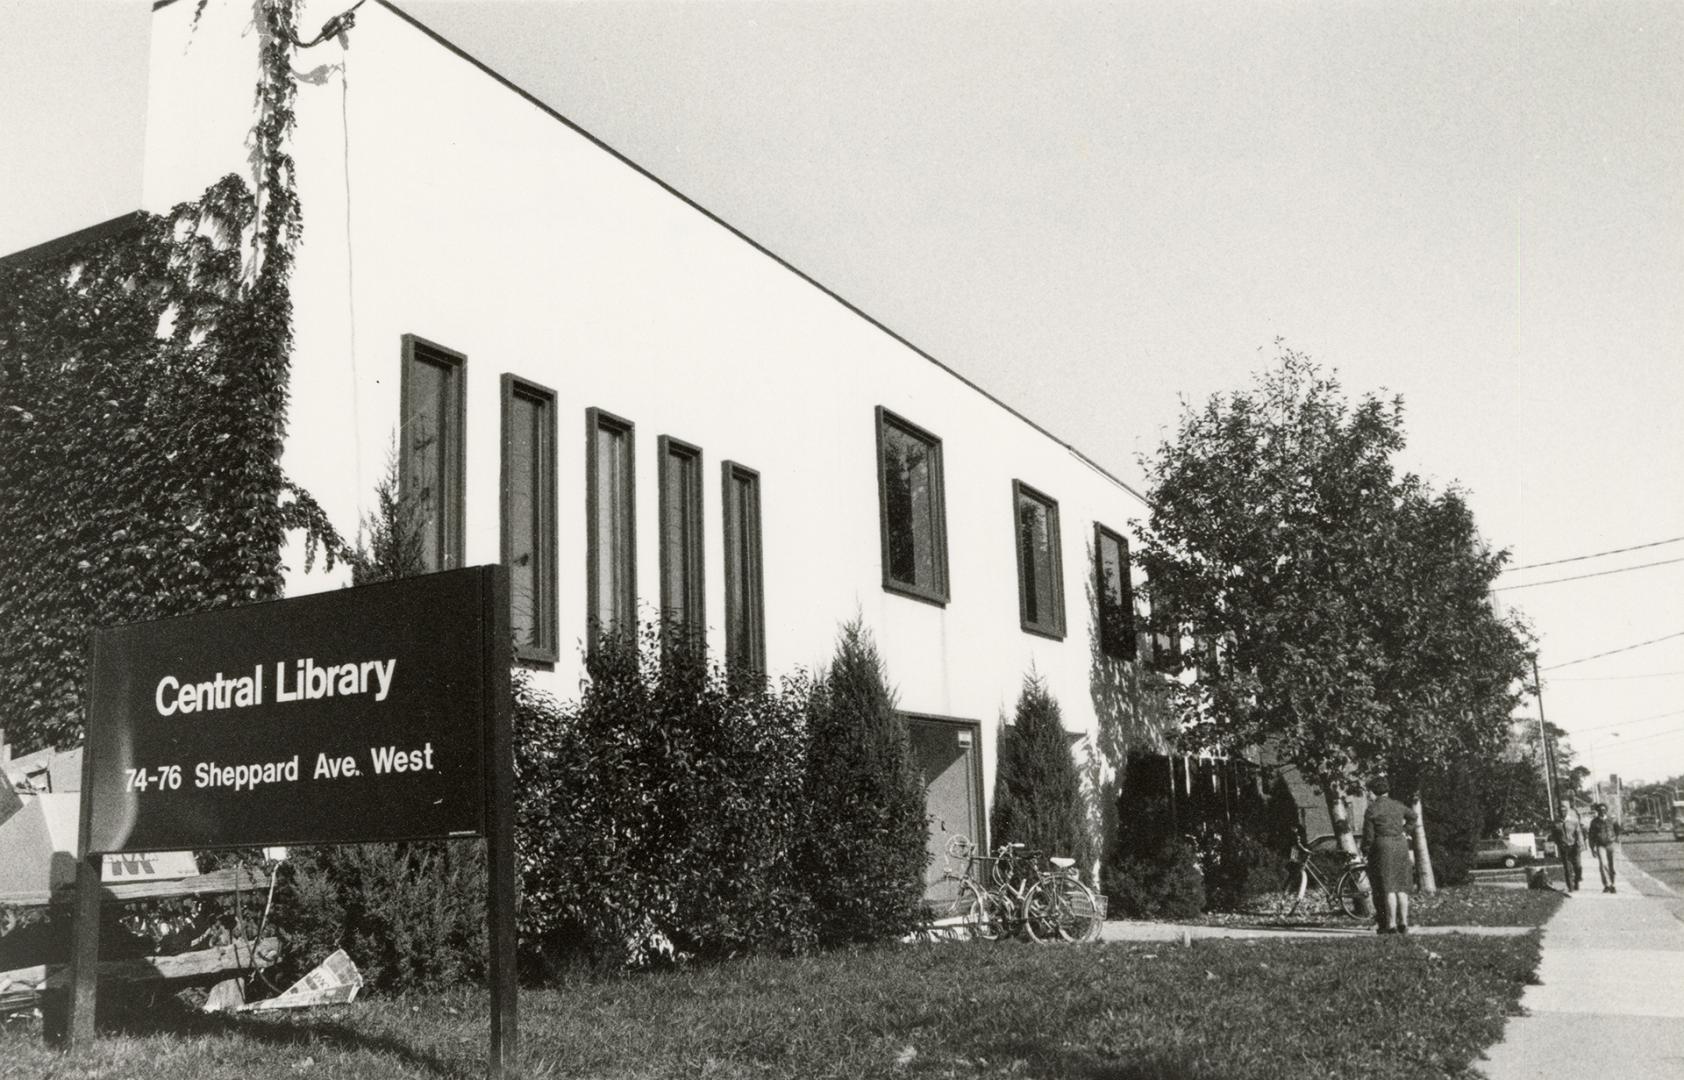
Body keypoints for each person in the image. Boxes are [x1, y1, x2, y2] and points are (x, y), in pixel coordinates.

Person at [1361, 777, 1417, 934]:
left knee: (1388, 887)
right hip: (1400, 846)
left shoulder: (1372, 809)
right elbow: (1413, 816)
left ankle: (1390, 925)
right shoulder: (1398, 805)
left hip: (1383, 848)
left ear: (1372, 792)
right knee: (1402, 887)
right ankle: (1404, 923)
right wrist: (1405, 831)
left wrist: (1365, 851)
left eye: (1368, 792)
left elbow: (1369, 836)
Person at [1553, 799, 1585, 892]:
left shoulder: (1574, 820)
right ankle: (1570, 887)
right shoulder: (1556, 823)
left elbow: (1578, 832)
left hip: (1574, 846)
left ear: (1567, 811)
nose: (1562, 812)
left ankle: (1577, 879)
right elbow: (1554, 835)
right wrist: (1558, 843)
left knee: (1578, 866)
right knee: (1567, 868)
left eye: (1564, 810)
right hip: (1564, 847)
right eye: (1560, 811)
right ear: (1558, 812)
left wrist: (1580, 842)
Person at [1588, 802, 1617, 893]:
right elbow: (1591, 836)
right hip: (1600, 845)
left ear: (1606, 810)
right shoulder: (1594, 822)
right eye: (1600, 810)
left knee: (1612, 865)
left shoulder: (1611, 820)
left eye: (1604, 810)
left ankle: (1613, 884)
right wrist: (1592, 848)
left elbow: (1618, 830)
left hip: (1610, 844)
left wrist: (1616, 838)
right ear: (1598, 811)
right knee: (1603, 864)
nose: (1602, 811)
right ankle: (1607, 884)